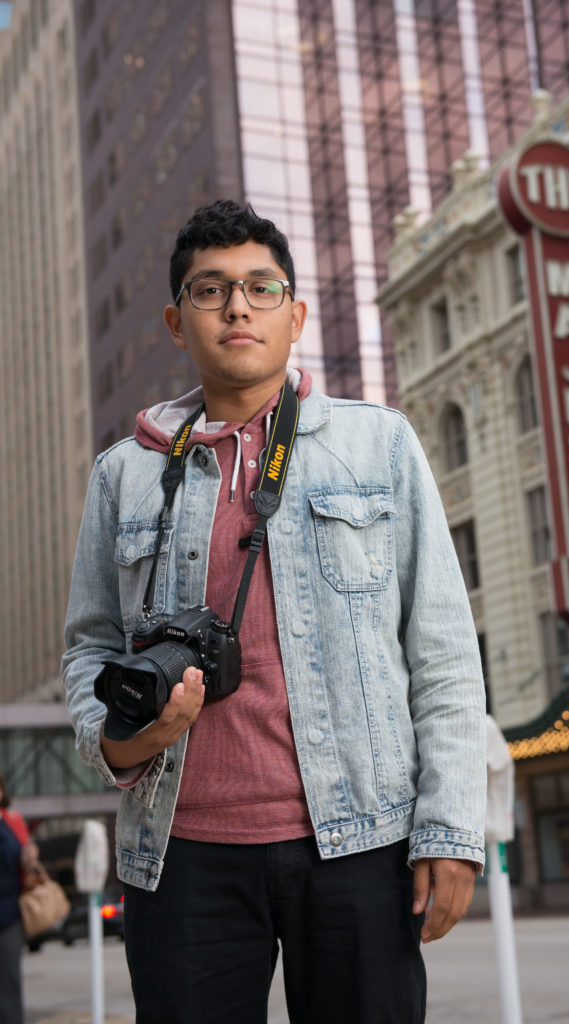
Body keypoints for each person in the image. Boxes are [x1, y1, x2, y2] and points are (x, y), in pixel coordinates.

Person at [63, 200, 486, 1023]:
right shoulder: (123, 475)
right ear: (175, 321)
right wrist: (119, 738)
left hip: (360, 844)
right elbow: (89, 649)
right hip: (178, 854)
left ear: (294, 316)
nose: (236, 307)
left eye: (260, 288)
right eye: (209, 290)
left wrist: (448, 829)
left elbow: (440, 653)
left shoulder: (380, 445)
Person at [0, 772, 39, 1024]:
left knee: (9, 985)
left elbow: (26, 859)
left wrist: (31, 855)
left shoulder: (12, 821)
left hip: (9, 914)